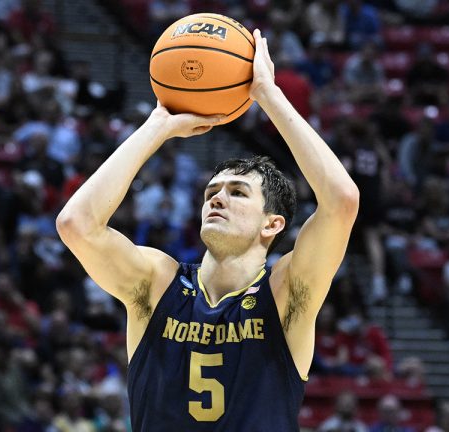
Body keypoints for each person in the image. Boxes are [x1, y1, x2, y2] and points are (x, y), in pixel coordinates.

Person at [56, 30, 359, 430]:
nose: (217, 199)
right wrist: (158, 124)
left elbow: (341, 201)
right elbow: (75, 224)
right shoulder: (158, 284)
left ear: (273, 224)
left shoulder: (284, 294)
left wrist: (267, 94)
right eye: (212, 191)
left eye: (237, 192)